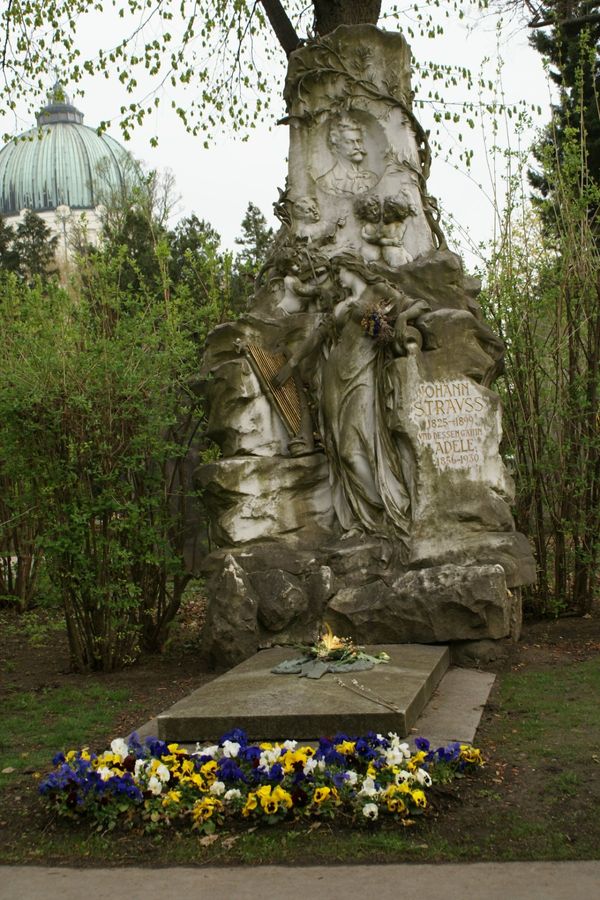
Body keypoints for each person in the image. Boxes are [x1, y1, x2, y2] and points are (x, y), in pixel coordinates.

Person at [274, 252, 429, 540]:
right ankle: (360, 521)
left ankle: (383, 515)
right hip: (335, 379)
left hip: (363, 375)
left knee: (353, 449)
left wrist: (402, 318)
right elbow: (319, 336)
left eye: (339, 271)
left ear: (352, 268)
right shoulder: (339, 303)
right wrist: (292, 363)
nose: (337, 278)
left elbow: (420, 305)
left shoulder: (379, 291)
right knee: (338, 450)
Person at [316, 115, 379, 197]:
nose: (357, 147)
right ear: (336, 146)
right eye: (350, 142)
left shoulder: (372, 178)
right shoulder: (326, 182)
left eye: (359, 141)